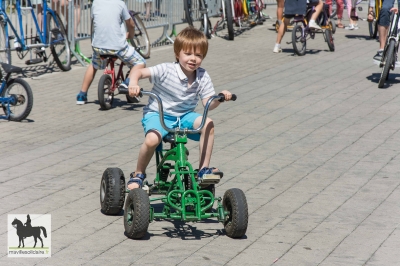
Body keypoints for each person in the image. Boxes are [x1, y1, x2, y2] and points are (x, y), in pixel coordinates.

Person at [122, 26, 234, 190]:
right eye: (188, 54)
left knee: (208, 124)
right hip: (158, 114)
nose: (193, 59)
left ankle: (203, 170)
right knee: (152, 140)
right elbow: (138, 73)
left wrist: (220, 97)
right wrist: (133, 84)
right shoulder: (166, 69)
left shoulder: (202, 75)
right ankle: (138, 173)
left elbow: (208, 103)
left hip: (185, 116)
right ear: (177, 53)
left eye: (198, 55)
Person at [76, 0, 146, 104]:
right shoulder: (120, 4)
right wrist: (130, 35)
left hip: (98, 46)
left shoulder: (95, 3)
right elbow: (130, 24)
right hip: (117, 46)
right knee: (140, 62)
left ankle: (82, 95)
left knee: (94, 65)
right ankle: (127, 83)